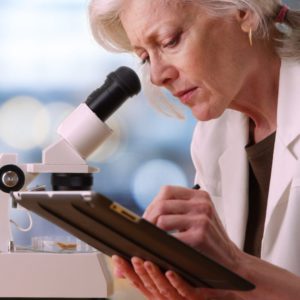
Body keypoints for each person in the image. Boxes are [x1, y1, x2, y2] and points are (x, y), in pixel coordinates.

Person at [89, 0, 300, 299]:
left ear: (244, 12)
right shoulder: (213, 136)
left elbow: (240, 270)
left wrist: (236, 267)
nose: (157, 76)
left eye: (169, 41)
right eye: (146, 57)